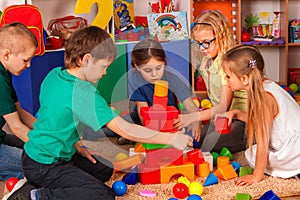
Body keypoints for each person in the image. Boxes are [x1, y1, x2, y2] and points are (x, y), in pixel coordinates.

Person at [6, 26, 192, 200]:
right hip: (45, 165)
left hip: (38, 155)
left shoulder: (54, 75)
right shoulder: (84, 93)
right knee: (101, 194)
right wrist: (170, 139)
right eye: (104, 67)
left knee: (104, 170)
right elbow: (125, 130)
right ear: (85, 60)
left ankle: (38, 182)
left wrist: (74, 143)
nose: (104, 73)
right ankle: (33, 195)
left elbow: (55, 115)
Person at [220, 45, 300, 185]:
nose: (226, 81)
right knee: (252, 153)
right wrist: (237, 113)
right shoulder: (263, 86)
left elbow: (263, 142)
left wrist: (256, 176)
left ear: (244, 78)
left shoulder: (263, 98)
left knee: (253, 153)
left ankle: (292, 170)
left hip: (294, 152)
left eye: (228, 77)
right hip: (290, 144)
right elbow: (262, 120)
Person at [175, 10, 248, 153]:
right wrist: (196, 119)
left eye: (206, 42)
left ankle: (254, 139)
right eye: (198, 43)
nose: (202, 48)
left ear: (222, 36)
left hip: (243, 119)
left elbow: (222, 107)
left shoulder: (227, 64)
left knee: (208, 143)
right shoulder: (207, 60)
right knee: (193, 137)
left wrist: (193, 117)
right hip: (223, 118)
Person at [119, 39, 201, 144]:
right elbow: (142, 111)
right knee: (122, 123)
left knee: (187, 132)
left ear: (164, 62)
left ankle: (132, 137)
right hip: (147, 120)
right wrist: (152, 135)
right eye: (148, 70)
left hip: (169, 119)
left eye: (158, 68)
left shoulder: (172, 78)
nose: (154, 74)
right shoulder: (135, 78)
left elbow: (190, 104)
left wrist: (196, 119)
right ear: (137, 67)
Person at [0, 22, 38, 180]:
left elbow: (20, 113)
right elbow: (16, 127)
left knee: (29, 147)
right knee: (38, 166)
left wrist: (46, 132)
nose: (28, 65)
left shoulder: (4, 72)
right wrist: (48, 148)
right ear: (7, 54)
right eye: (25, 60)